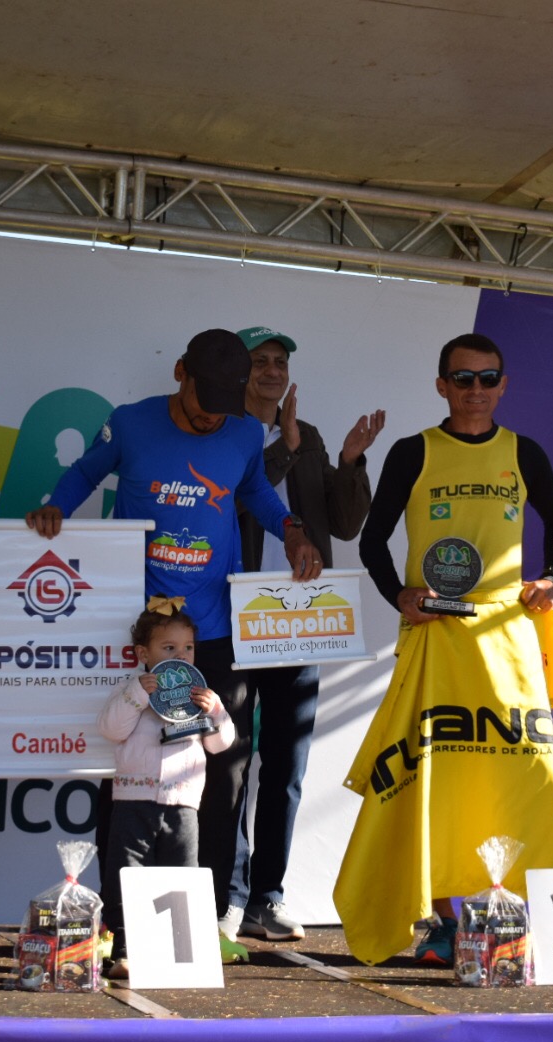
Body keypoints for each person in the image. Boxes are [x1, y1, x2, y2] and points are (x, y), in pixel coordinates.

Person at [25, 328, 323, 937]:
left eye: (223, 406)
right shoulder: (130, 423)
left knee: (222, 770)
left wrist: (292, 528)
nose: (212, 418)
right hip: (142, 635)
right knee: (129, 773)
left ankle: (205, 915)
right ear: (180, 372)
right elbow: (84, 472)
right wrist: (56, 506)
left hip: (211, 633)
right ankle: (116, 918)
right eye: (202, 404)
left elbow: (254, 491)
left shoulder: (244, 432)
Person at [335, 331, 553, 966]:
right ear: (441, 385)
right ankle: (441, 922)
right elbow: (372, 539)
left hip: (505, 635)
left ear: (503, 385)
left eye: (487, 378)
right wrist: (399, 594)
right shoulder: (414, 451)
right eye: (463, 379)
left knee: (525, 777)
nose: (476, 390)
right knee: (431, 779)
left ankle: (515, 916)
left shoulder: (523, 452)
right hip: (436, 634)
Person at [223, 325, 384, 942]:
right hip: (237, 618)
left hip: (302, 621)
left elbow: (343, 524)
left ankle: (267, 895)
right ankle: (229, 895)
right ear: (238, 372)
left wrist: (349, 462)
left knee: (285, 767)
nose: (272, 370)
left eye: (280, 361)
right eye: (260, 361)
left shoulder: (308, 435)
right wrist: (285, 449)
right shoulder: (222, 433)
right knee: (231, 765)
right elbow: (236, 502)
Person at [97, 596, 237, 981]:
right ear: (143, 653)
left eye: (187, 648)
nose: (181, 656)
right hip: (133, 801)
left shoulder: (200, 697)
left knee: (182, 876)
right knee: (127, 874)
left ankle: (176, 955)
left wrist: (216, 711)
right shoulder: (130, 690)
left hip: (183, 804)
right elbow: (110, 729)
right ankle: (124, 948)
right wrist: (137, 695)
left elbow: (221, 744)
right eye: (169, 648)